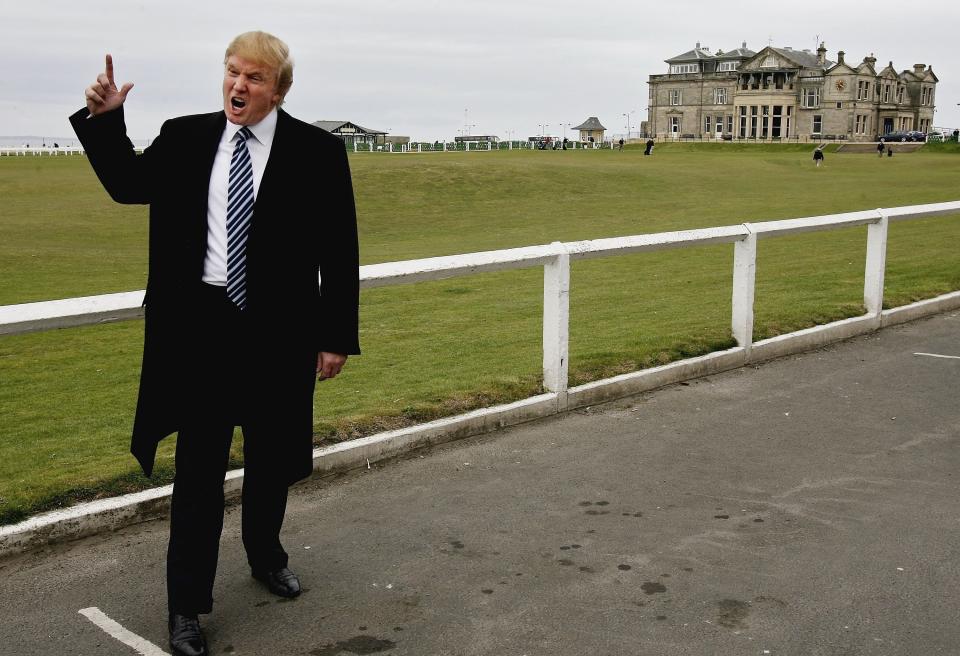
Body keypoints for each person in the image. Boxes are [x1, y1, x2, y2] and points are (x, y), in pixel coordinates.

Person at [70, 31, 359, 656]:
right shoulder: (185, 136)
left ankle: (265, 554)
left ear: (278, 90)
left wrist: (335, 335)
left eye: (254, 78)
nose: (238, 86)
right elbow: (125, 183)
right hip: (200, 332)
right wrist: (105, 120)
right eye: (232, 73)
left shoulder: (317, 151)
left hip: (278, 334)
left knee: (272, 460)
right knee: (198, 474)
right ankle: (185, 607)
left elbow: (339, 250)